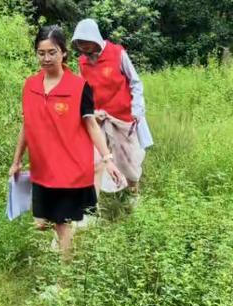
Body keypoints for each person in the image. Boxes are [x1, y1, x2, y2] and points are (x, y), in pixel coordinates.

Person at [9, 25, 123, 255]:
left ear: (64, 53)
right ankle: (64, 245)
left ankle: (63, 281)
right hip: (42, 169)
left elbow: (91, 125)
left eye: (52, 52)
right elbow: (27, 125)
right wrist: (17, 160)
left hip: (67, 169)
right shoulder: (30, 85)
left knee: (62, 224)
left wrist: (108, 159)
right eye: (41, 53)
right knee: (42, 222)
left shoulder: (79, 88)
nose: (46, 58)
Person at [72, 18, 153, 198]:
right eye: (80, 44)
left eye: (85, 43)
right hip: (99, 121)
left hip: (123, 119)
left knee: (129, 163)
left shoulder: (117, 53)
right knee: (96, 162)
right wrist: (91, 112)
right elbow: (82, 93)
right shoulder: (82, 63)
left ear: (94, 38)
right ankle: (92, 208)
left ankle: (133, 195)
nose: (83, 47)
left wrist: (137, 109)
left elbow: (135, 82)